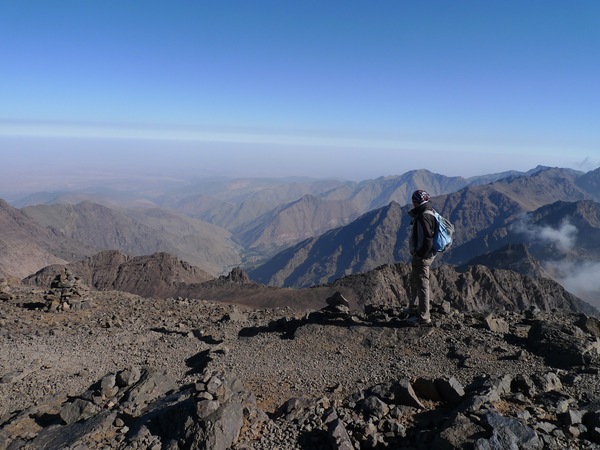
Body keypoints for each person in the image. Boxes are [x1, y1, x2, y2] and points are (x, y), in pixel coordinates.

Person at [407, 189, 437, 324]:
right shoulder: (430, 212)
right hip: (426, 255)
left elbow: (427, 240)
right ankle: (416, 309)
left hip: (423, 256)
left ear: (416, 201)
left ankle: (424, 316)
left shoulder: (423, 216)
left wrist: (419, 255)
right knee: (416, 281)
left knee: (422, 284)